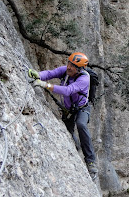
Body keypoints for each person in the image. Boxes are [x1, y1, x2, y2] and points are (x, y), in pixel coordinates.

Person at [28, 52, 98, 180]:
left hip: (82, 108)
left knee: (81, 124)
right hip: (69, 109)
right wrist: (38, 75)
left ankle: (91, 162)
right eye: (69, 63)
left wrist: (45, 85)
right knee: (68, 133)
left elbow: (67, 90)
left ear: (80, 69)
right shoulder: (65, 70)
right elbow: (50, 74)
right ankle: (75, 147)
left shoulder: (84, 79)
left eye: (73, 66)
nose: (69, 67)